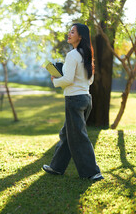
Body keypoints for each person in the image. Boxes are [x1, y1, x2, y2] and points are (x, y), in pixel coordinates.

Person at [42, 23, 104, 181]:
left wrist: (55, 80)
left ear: (80, 36)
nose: (69, 34)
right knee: (67, 133)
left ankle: (92, 172)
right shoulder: (87, 54)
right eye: (69, 31)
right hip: (86, 99)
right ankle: (56, 167)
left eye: (73, 32)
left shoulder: (72, 55)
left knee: (79, 137)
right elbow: (89, 81)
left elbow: (68, 80)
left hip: (74, 100)